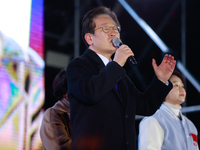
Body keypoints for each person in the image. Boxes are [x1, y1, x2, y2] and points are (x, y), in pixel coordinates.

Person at [66, 6, 176, 150]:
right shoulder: (79, 65)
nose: (113, 33)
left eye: (115, 28)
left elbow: (145, 106)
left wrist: (160, 80)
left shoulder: (119, 75)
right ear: (89, 38)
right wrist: (117, 64)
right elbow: (90, 93)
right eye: (105, 29)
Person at [138, 69, 199, 150]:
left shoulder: (190, 125)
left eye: (183, 86)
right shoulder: (154, 119)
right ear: (164, 89)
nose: (182, 89)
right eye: (176, 85)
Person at [40, 68, 72, 150]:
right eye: (77, 86)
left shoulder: (83, 114)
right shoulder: (52, 114)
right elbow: (60, 147)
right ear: (65, 92)